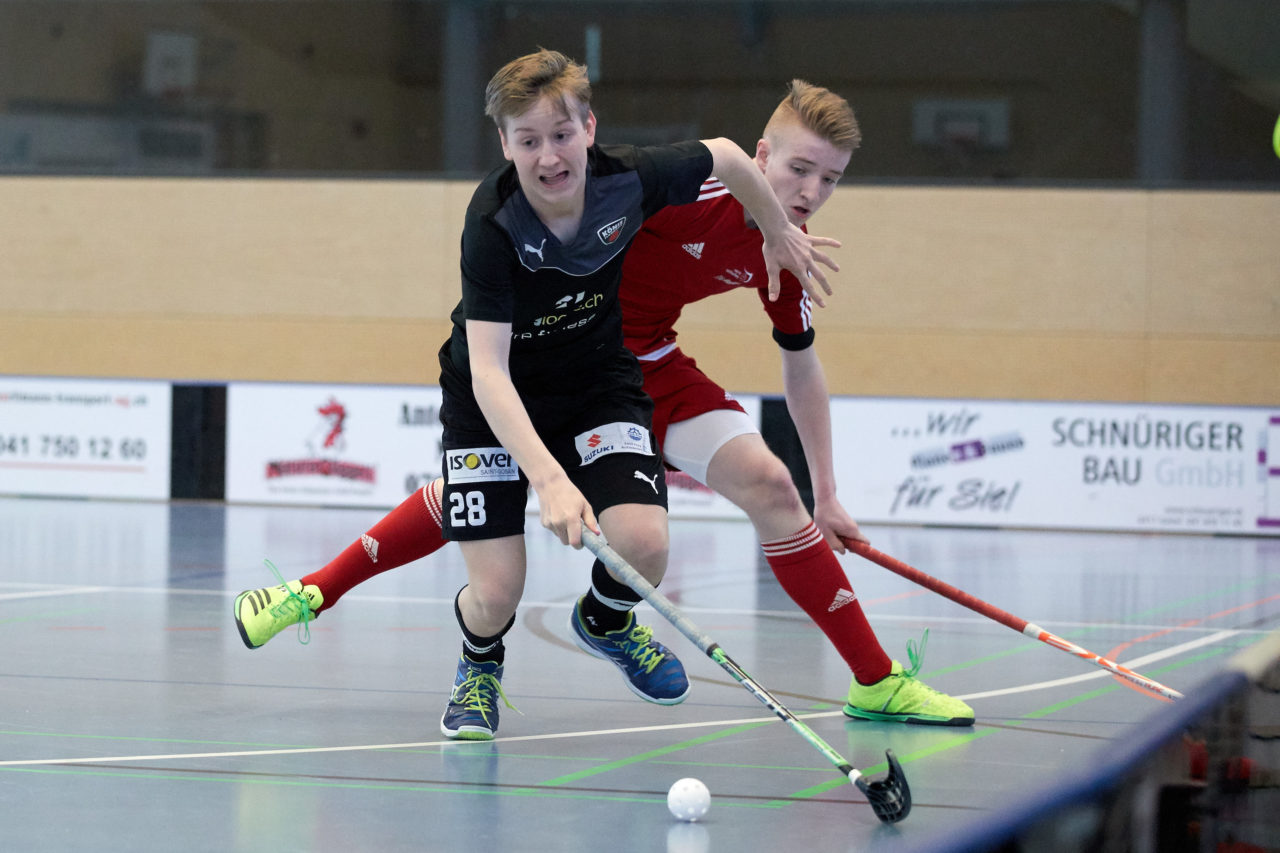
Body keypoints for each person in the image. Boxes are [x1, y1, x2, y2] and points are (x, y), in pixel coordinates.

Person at [234, 76, 974, 732]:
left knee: (772, 488)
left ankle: (870, 680)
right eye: (798, 169)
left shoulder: (789, 246)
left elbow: (801, 365)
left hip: (625, 366)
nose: (809, 192)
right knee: (487, 546)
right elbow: (698, 161)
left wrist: (829, 493)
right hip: (529, 365)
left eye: (829, 180)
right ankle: (318, 592)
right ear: (764, 156)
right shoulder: (637, 194)